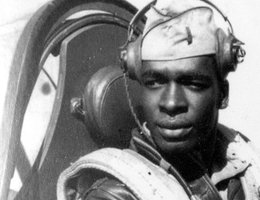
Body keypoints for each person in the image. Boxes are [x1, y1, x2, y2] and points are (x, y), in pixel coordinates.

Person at [57, 0, 260, 200]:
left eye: (193, 84)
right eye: (155, 83)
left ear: (222, 95)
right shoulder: (114, 196)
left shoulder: (244, 164)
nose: (171, 103)